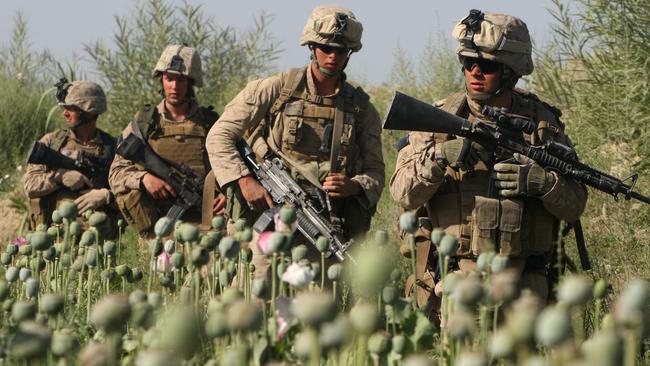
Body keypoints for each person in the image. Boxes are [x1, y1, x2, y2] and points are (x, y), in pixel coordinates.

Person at [389, 10, 588, 308]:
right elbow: (401, 193)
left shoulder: (542, 127)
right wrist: (439, 157)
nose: (474, 72)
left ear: (512, 71)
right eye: (468, 63)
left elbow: (575, 205)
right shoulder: (439, 120)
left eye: (486, 65)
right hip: (453, 286)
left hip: (525, 292)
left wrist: (544, 183)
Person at [206, 5, 385, 278]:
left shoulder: (361, 110)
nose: (333, 56)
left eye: (341, 50)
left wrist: (353, 185)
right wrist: (244, 181)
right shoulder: (277, 89)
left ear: (350, 53)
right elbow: (219, 136)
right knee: (257, 296)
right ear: (312, 47)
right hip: (269, 219)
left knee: (318, 311)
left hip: (321, 226)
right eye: (326, 48)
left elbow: (376, 172)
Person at [109, 45, 224, 234]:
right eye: (169, 78)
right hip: (157, 228)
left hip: (206, 224)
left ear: (191, 83)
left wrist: (226, 194)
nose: (174, 86)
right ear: (161, 80)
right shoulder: (144, 122)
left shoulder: (209, 123)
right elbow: (116, 173)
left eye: (181, 80)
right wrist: (143, 178)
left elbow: (235, 166)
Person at [24, 80, 117, 229]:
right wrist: (59, 178)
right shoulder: (52, 142)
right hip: (53, 239)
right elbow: (29, 186)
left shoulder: (112, 148)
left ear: (90, 111)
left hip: (97, 239)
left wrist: (106, 195)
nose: (65, 113)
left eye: (71, 108)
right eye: (64, 108)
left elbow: (129, 193)